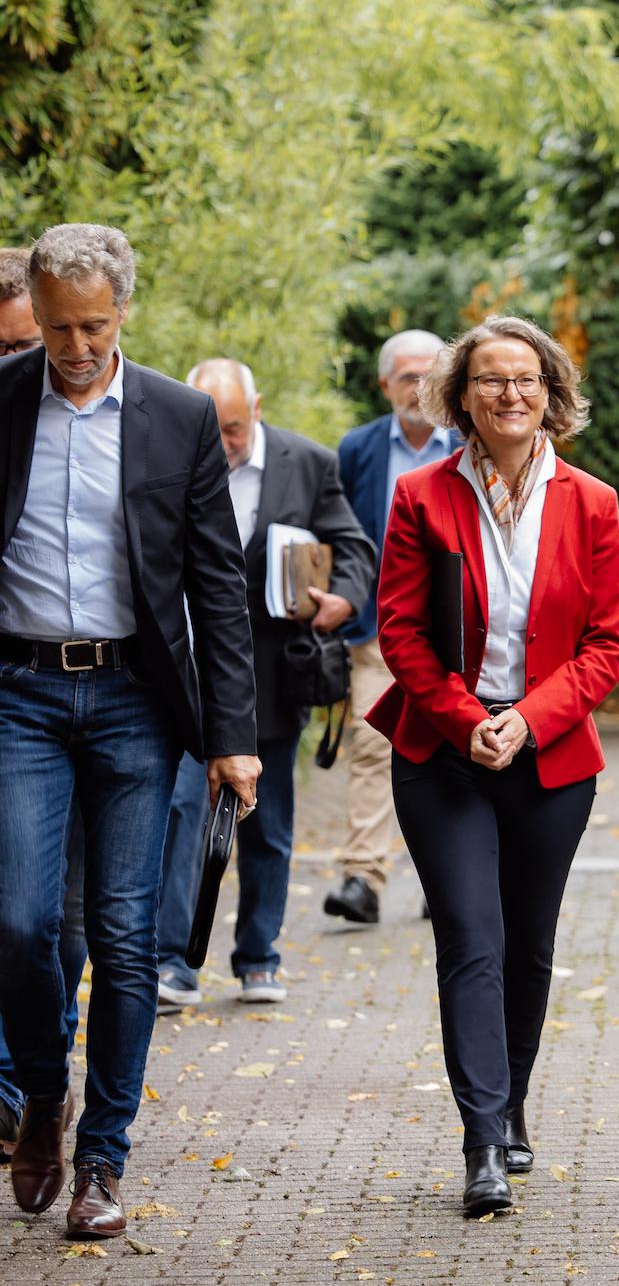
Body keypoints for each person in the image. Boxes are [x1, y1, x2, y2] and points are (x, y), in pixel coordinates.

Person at [0, 223, 259, 1238]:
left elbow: (217, 588)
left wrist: (233, 734)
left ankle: (102, 1155)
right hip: (18, 691)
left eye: (92, 326)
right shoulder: (6, 399)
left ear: (124, 314)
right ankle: (39, 1093)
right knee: (19, 922)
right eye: (57, 328)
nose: (72, 347)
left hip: (134, 702)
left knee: (123, 934)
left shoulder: (178, 417)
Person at [367, 315, 619, 1216]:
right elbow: (398, 629)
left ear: (551, 392)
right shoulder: (419, 495)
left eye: (526, 379)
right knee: (471, 940)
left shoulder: (591, 502)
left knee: (528, 946)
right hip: (443, 751)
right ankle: (483, 1139)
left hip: (550, 755)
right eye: (490, 380)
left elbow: (609, 644)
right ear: (461, 396)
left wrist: (526, 718)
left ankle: (512, 1105)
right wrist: (464, 717)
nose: (509, 394)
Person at [155, 359, 375, 1008]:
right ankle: (172, 961)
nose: (220, 442)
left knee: (267, 822)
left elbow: (352, 545)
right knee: (182, 814)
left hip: (273, 673)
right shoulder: (166, 455)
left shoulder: (306, 462)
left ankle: (258, 955)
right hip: (186, 677)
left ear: (257, 408)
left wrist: (342, 598)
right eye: (208, 427)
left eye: (230, 427)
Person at [323, 330, 459, 925]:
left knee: (457, 745)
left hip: (461, 629)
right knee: (374, 745)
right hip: (382, 628)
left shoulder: (470, 441)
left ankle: (451, 873)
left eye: (430, 375)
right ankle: (363, 876)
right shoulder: (357, 449)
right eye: (408, 376)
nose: (420, 387)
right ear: (385, 385)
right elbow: (341, 533)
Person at [0, 248, 88, 1153]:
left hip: (93, 698)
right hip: (13, 689)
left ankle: (35, 1083)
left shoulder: (116, 416)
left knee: (52, 916)